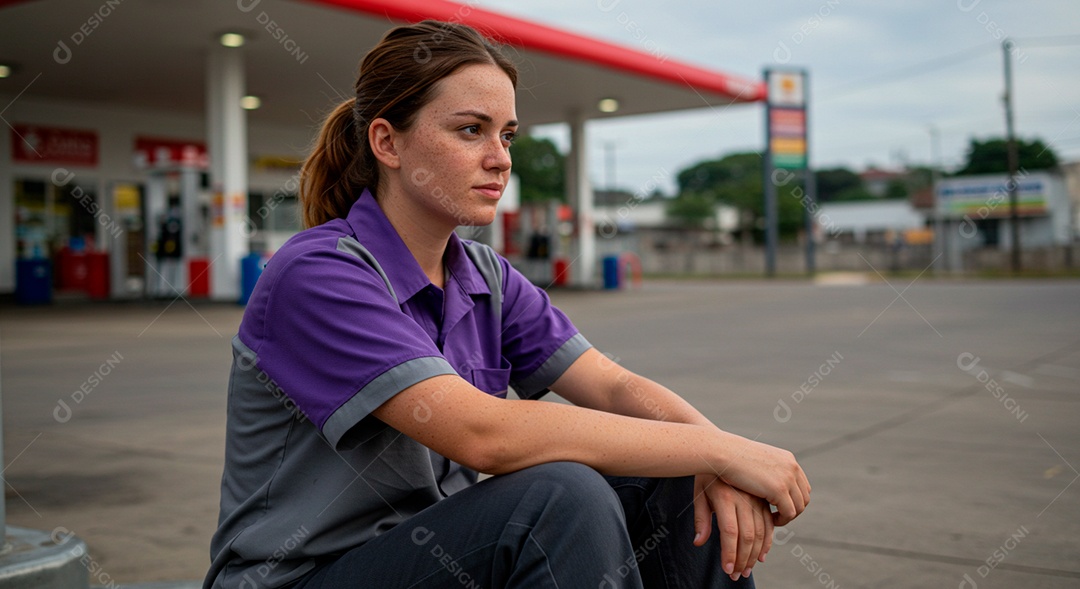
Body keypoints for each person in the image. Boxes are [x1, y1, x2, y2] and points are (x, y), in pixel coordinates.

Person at [205, 20, 809, 589]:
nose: (501, 158)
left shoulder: (483, 275)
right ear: (388, 142)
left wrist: (713, 456)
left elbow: (615, 387)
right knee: (559, 497)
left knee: (671, 475)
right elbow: (483, 435)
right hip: (301, 577)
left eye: (507, 134)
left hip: (432, 559)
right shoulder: (319, 273)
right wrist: (719, 450)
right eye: (471, 130)